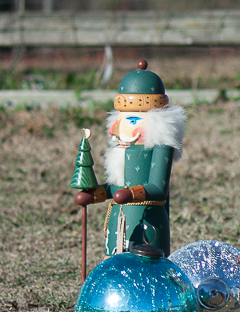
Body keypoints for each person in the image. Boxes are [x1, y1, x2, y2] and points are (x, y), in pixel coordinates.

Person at [74, 60, 186, 258]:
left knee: (145, 264)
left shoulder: (161, 148)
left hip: (148, 224)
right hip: (119, 221)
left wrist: (130, 194)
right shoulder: (122, 151)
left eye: (132, 120)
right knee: (115, 260)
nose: (115, 130)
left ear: (156, 124)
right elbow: (117, 187)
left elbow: (157, 189)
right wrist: (96, 194)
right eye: (119, 120)